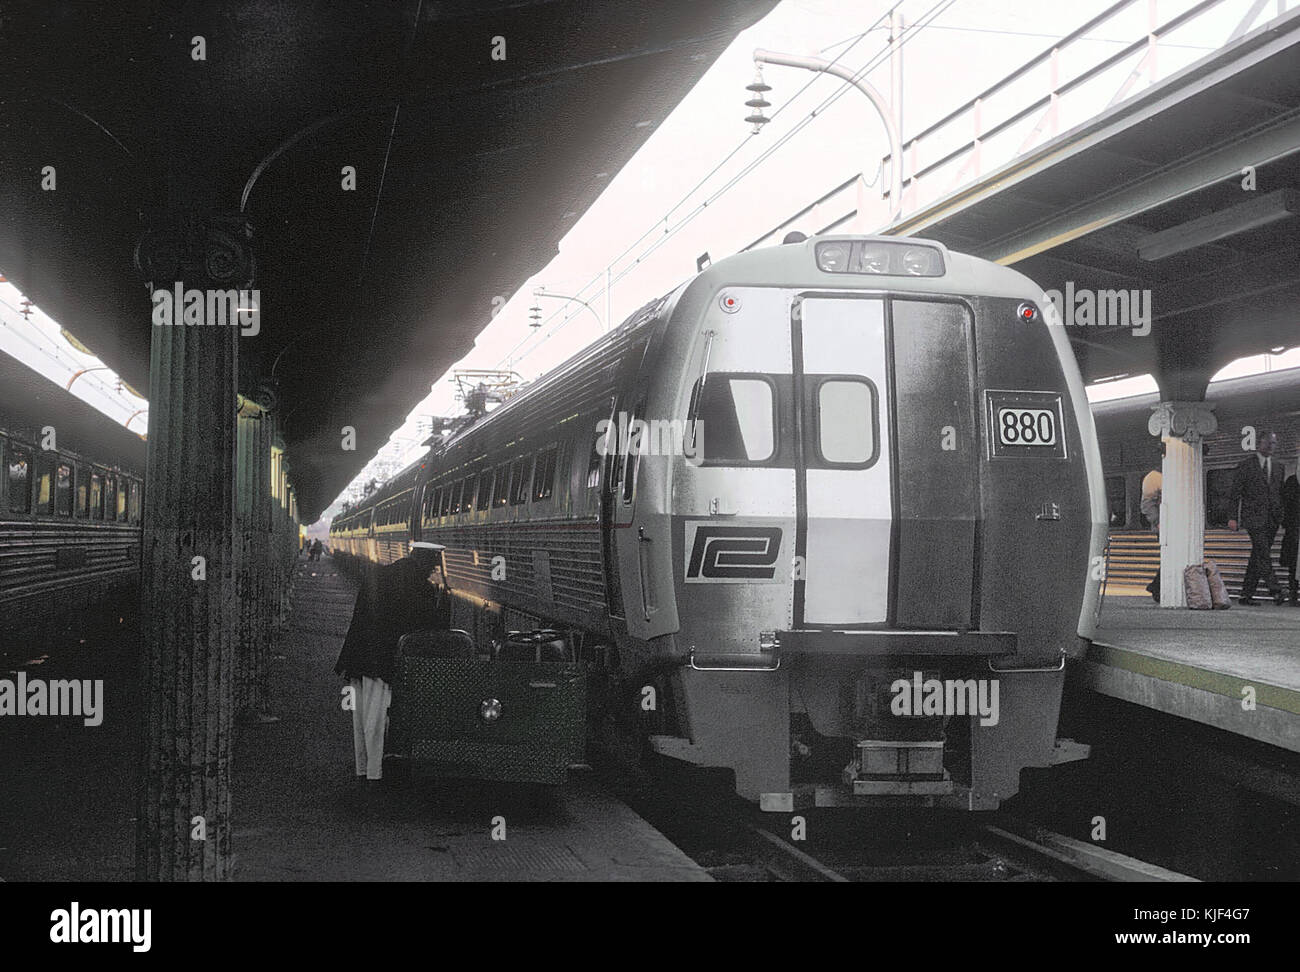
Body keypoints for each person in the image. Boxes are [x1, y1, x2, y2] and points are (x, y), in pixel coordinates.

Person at [334, 541, 449, 780]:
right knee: (377, 721)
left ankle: (364, 769)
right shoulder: (419, 587)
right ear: (424, 561)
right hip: (383, 661)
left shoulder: (379, 575)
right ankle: (375, 775)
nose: (433, 571)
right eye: (432, 566)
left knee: (363, 719)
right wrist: (442, 607)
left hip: (359, 657)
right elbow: (425, 628)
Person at [1227, 430, 1286, 606]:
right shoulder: (1246, 465)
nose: (1271, 446)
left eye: (1274, 443)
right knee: (1263, 553)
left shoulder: (1279, 467)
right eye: (1268, 442)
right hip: (1253, 518)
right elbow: (1235, 493)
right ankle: (1276, 590)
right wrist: (1232, 517)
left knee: (1258, 555)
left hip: (1272, 519)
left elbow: (1278, 493)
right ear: (1259, 443)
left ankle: (1246, 594)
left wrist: (1280, 515)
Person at [1140, 467, 1162, 602]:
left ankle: (1155, 586)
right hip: (1164, 526)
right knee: (1169, 557)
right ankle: (1156, 587)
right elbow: (1147, 503)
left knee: (1169, 558)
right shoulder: (1154, 477)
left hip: (1178, 524)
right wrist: (1157, 521)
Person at [1282, 468, 1299, 606]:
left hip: (1293, 529)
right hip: (1294, 529)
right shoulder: (1292, 482)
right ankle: (1293, 594)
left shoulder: (1291, 481)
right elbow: (1285, 505)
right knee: (1293, 563)